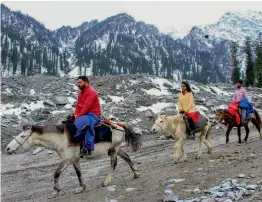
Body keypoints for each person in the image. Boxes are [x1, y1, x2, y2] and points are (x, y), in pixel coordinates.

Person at [74, 76, 101, 157]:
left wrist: (78, 116)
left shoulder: (91, 92)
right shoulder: (80, 93)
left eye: (80, 83)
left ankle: (87, 147)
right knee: (70, 121)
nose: (78, 84)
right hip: (85, 114)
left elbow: (86, 107)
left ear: (86, 82)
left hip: (93, 114)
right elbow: (78, 106)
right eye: (77, 83)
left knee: (83, 123)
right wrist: (75, 114)